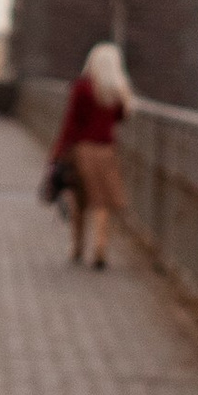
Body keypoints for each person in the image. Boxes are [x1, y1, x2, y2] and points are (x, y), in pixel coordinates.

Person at [50, 38, 131, 265]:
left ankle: (77, 248)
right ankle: (100, 248)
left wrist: (59, 151)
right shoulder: (115, 91)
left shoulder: (83, 87)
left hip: (82, 150)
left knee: (80, 199)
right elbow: (120, 117)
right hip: (106, 151)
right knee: (101, 201)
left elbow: (71, 123)